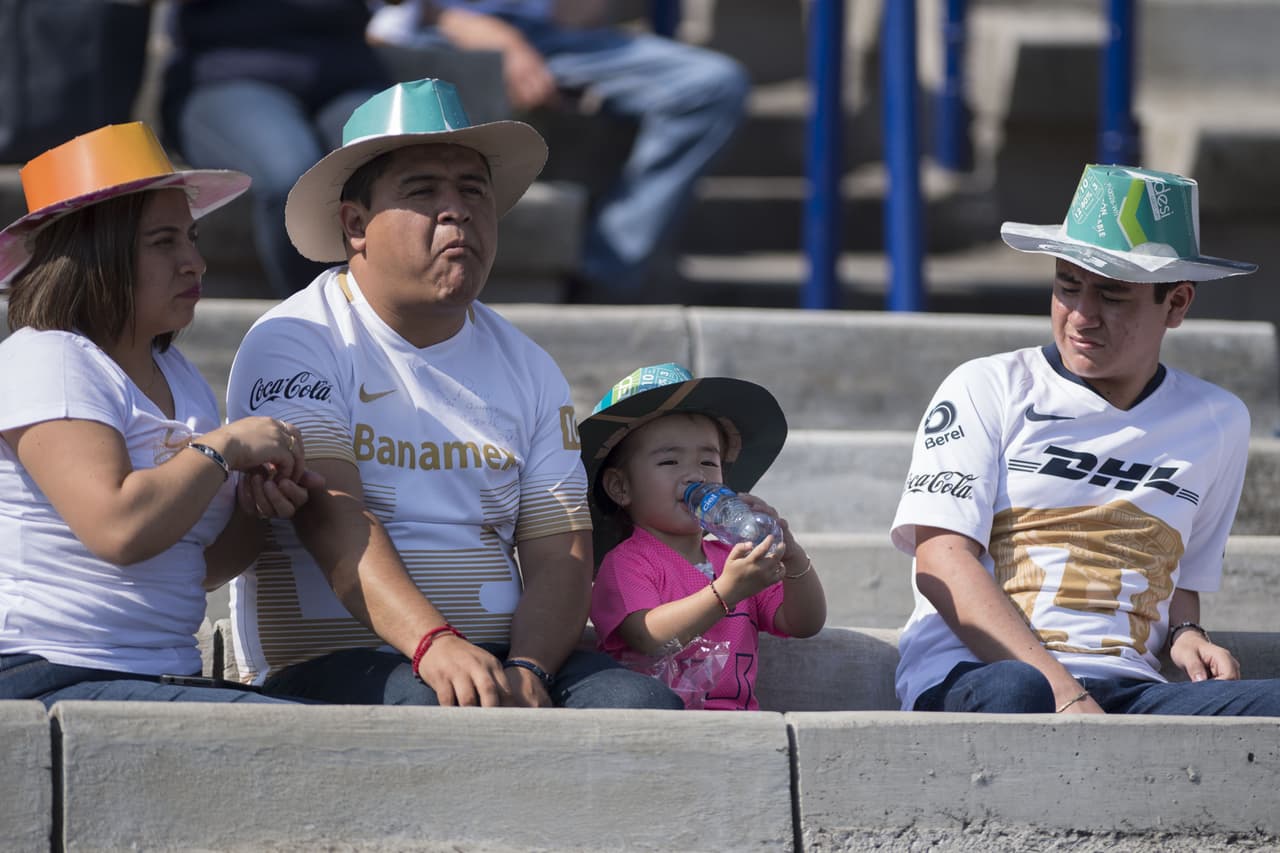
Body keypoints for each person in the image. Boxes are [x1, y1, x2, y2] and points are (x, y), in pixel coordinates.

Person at [223, 78, 682, 710]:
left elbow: (561, 549)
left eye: (473, 191)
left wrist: (530, 668)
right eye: (423, 192)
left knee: (644, 710)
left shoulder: (529, 363)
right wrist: (434, 644)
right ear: (355, 226)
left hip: (497, 661)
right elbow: (331, 514)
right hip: (338, 668)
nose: (456, 210)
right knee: (439, 711)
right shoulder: (297, 339)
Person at [891, 163, 1280, 717]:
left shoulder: (1221, 419)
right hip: (978, 673)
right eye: (1067, 286)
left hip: (1131, 688)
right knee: (1019, 692)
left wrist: (1187, 632)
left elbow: (1183, 577)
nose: (1081, 315)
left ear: (1177, 303)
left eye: (1113, 296)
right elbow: (940, 560)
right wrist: (1064, 691)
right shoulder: (987, 385)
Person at [0, 122, 319, 706]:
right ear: (95, 254)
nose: (194, 262)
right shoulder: (49, 355)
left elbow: (193, 567)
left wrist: (256, 506)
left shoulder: (179, 376)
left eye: (192, 238)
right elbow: (119, 529)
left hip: (155, 674)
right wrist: (222, 451)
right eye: (164, 242)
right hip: (46, 673)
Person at [365, 0, 750, 299]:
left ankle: (605, 272)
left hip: (553, 35)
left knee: (714, 84)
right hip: (430, 33)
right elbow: (387, 19)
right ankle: (410, 282)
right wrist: (489, 36)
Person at [580, 363, 827, 709]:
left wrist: (793, 556)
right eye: (669, 462)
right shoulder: (625, 563)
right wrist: (727, 591)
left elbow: (804, 622)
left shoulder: (734, 557)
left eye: (709, 463)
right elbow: (647, 636)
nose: (695, 475)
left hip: (738, 721)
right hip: (658, 724)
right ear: (621, 487)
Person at [161, 0, 395, 298]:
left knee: (395, 169)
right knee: (293, 178)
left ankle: (401, 319)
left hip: (349, 73)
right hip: (226, 74)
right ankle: (323, 325)